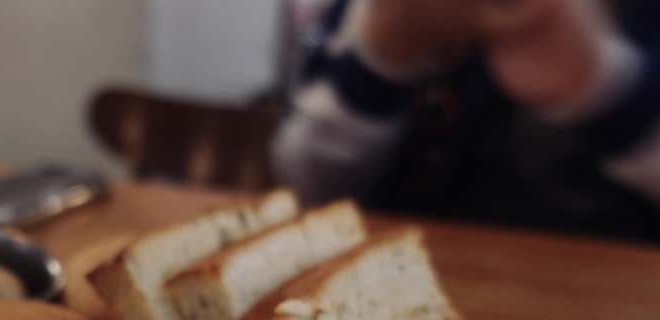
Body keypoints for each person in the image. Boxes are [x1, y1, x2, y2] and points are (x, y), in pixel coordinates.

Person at [272, 0, 660, 241]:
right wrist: (383, 55)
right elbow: (306, 183)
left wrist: (606, 89)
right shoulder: (367, 11)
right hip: (407, 274)